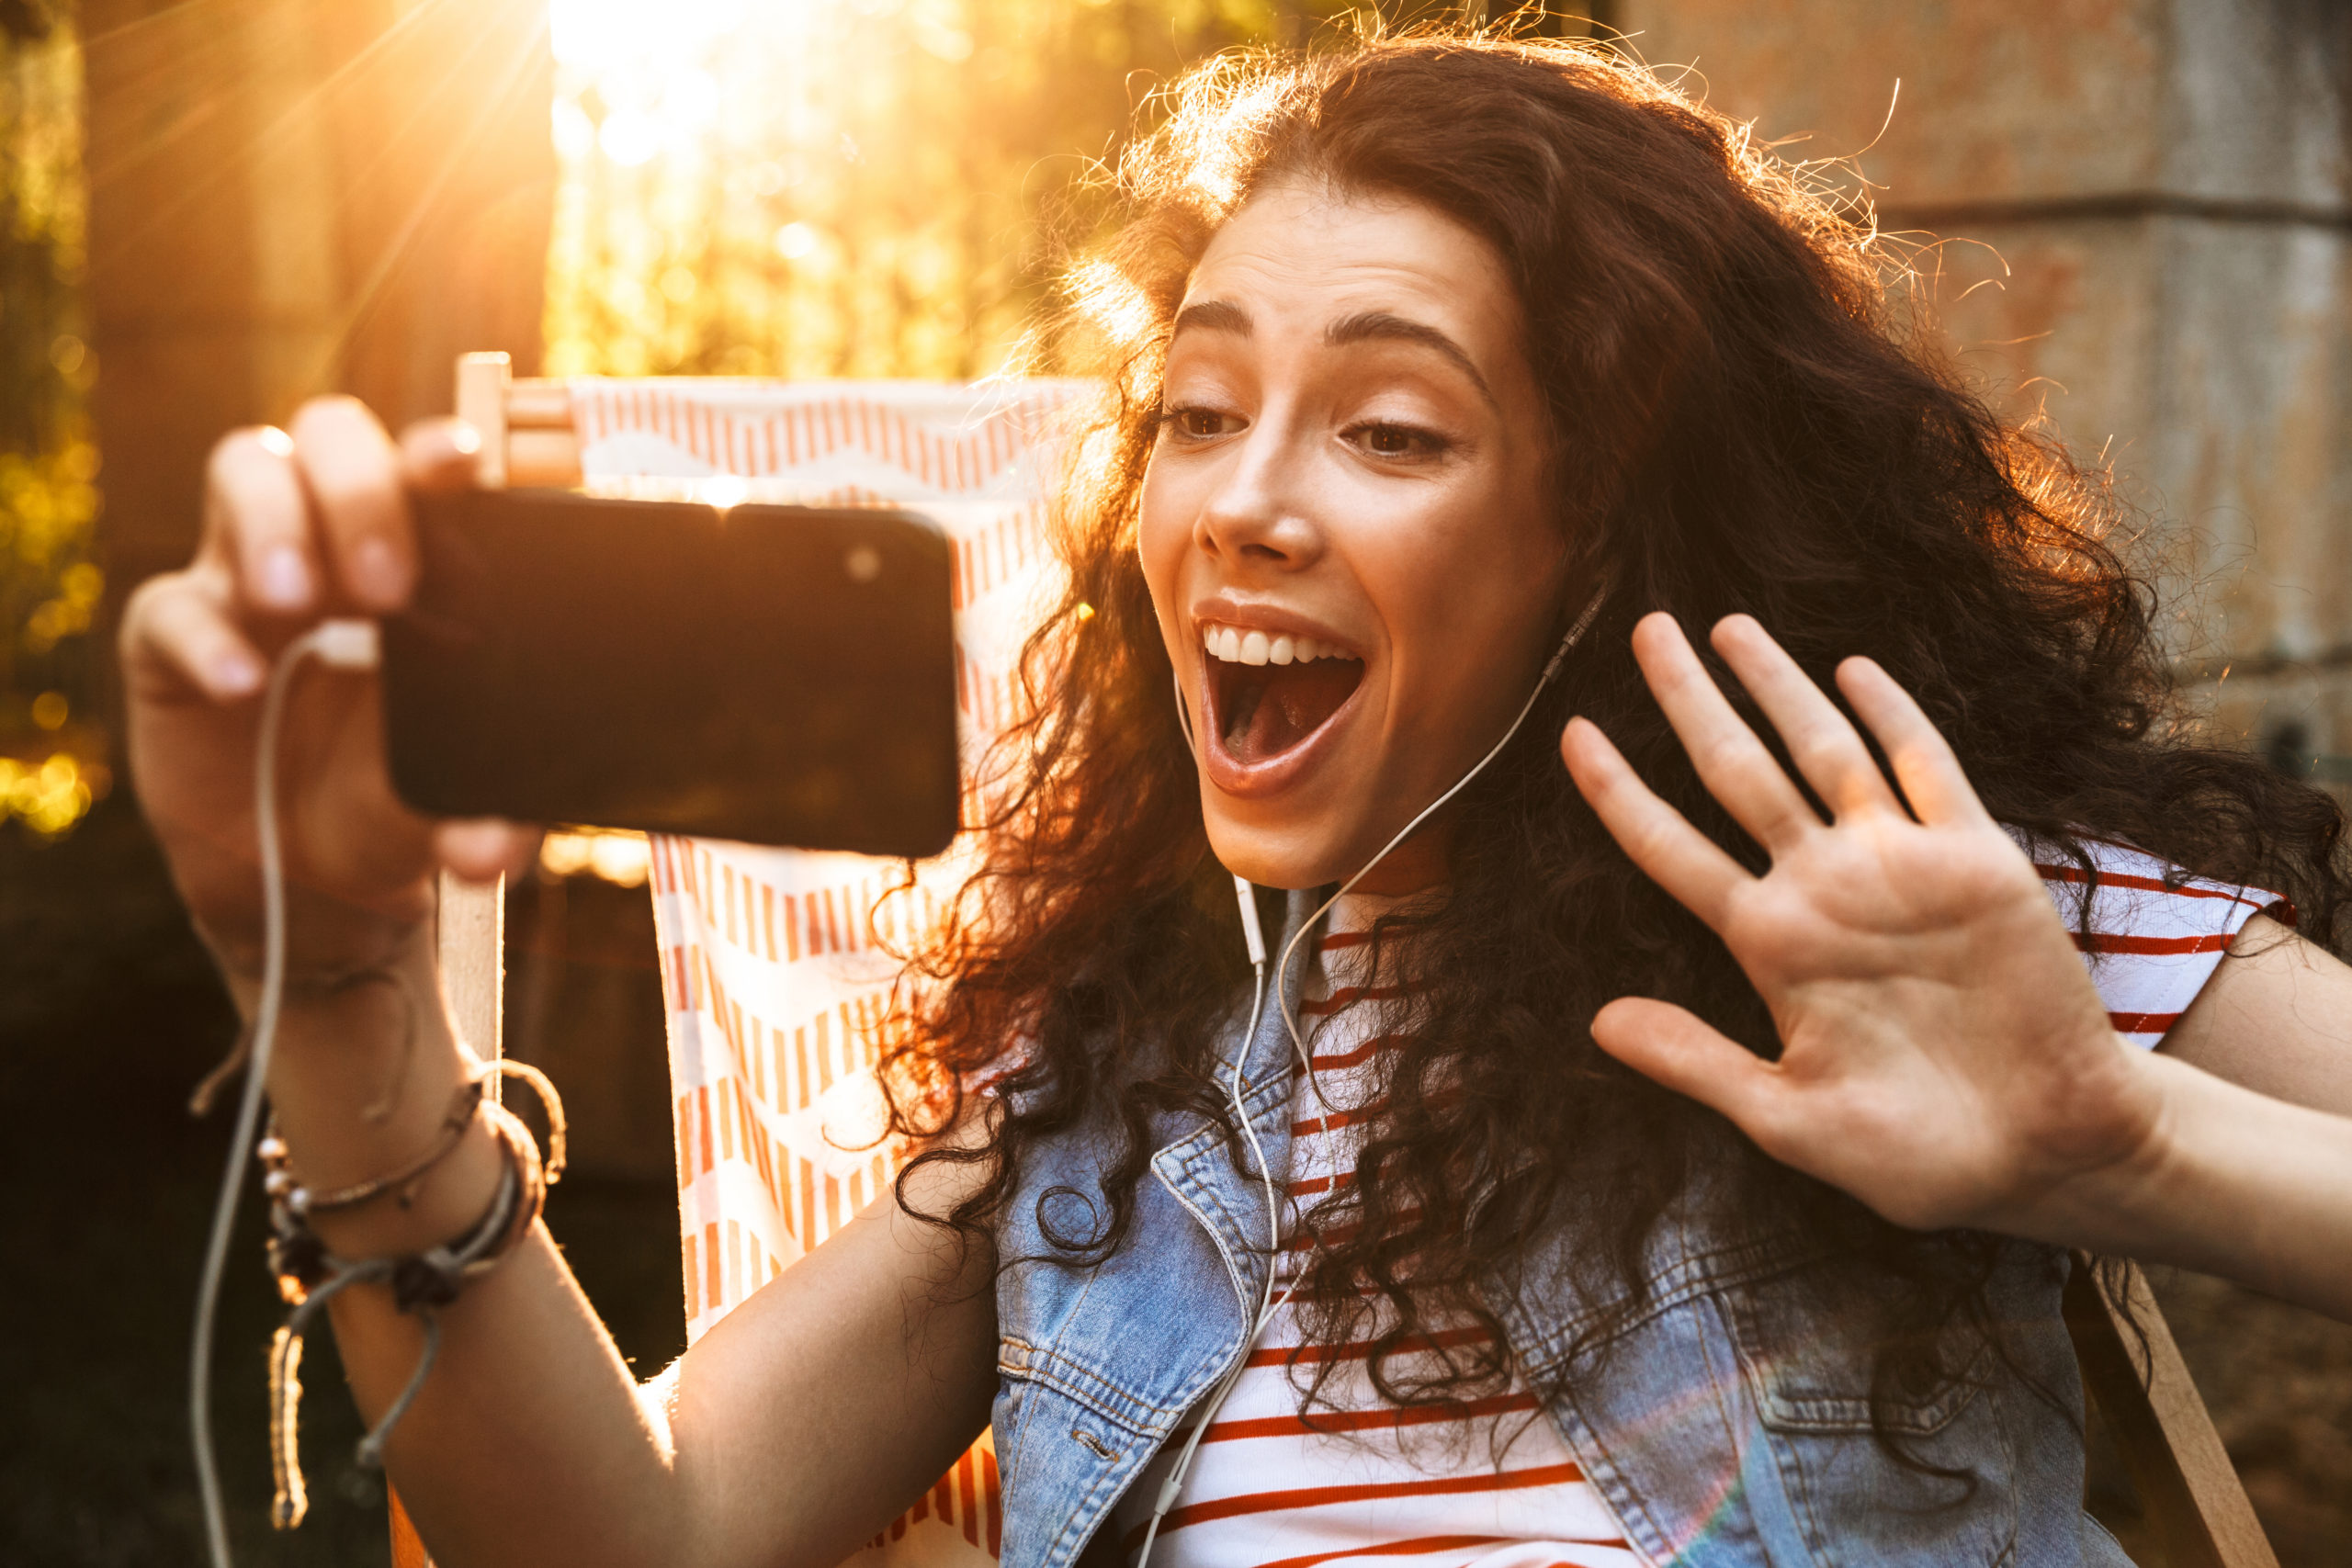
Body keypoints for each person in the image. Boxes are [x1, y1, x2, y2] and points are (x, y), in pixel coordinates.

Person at [122, 31, 2352, 1568]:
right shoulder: (1104, 1086)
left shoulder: (1909, 924)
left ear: (1604, 541)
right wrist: (334, 983)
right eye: (1195, 411)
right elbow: (632, 1529)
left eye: (1388, 430)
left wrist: (2116, 1143)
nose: (1237, 509)